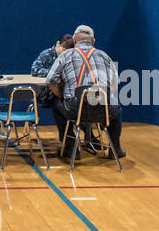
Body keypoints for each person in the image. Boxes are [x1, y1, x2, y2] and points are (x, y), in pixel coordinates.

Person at [45, 24, 125, 161]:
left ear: (74, 40)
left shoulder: (66, 55)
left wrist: (62, 96)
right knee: (117, 110)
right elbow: (115, 82)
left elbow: (51, 80)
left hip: (75, 110)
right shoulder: (104, 56)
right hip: (102, 110)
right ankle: (115, 149)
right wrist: (104, 98)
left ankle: (71, 148)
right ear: (93, 41)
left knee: (55, 102)